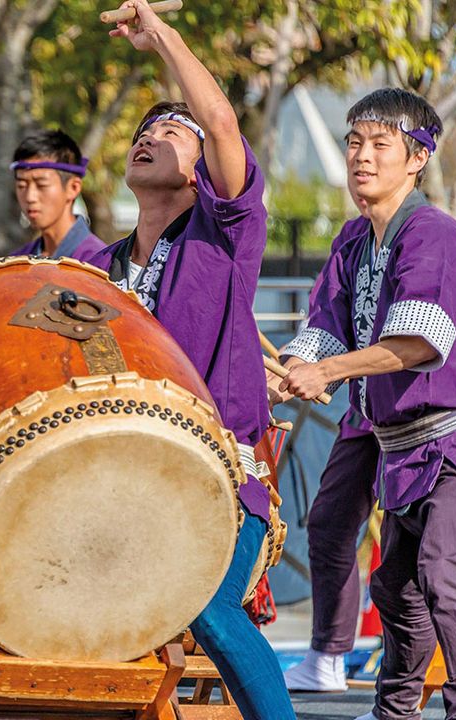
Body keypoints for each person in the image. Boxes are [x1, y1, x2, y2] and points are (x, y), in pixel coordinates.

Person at [278, 87, 456, 720]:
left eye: (381, 144)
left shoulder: (432, 232)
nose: (362, 156)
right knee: (394, 586)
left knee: (441, 572)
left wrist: (327, 369)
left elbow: (416, 342)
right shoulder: (355, 240)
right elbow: (325, 326)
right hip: (399, 450)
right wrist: (298, 367)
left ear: (417, 159)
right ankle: (395, 709)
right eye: (354, 142)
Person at [91, 3, 293, 717]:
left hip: (218, 476)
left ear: (203, 162)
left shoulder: (225, 233)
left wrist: (163, 39)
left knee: (206, 605)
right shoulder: (96, 268)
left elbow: (226, 125)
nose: (151, 137)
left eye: (172, 132)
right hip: (116, 479)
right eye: (144, 132)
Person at [9, 129, 108, 262]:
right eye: (22, 186)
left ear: (73, 188)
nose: (29, 197)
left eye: (41, 185)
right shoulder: (16, 263)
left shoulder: (100, 262)